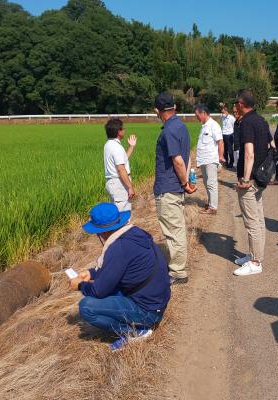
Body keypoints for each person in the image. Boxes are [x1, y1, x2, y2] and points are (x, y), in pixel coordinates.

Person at [71, 203, 171, 352]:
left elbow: (98, 291)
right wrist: (91, 273)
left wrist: (79, 285)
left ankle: (137, 331)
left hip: (149, 311)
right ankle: (139, 323)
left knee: (86, 307)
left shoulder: (118, 248)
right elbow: (119, 268)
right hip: (158, 301)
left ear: (102, 232)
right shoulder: (135, 233)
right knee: (109, 288)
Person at [153, 92, 196, 285]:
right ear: (175, 107)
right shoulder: (181, 127)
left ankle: (177, 271)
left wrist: (185, 183)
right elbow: (185, 158)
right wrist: (185, 183)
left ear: (157, 110)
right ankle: (178, 267)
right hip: (175, 187)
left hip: (168, 188)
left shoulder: (168, 131)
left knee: (173, 231)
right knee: (176, 228)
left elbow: (178, 160)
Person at [232, 89, 271, 276]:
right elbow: (272, 146)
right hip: (261, 177)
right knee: (259, 218)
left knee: (251, 222)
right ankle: (255, 255)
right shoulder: (261, 121)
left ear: (241, 104)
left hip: (251, 179)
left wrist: (245, 180)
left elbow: (249, 153)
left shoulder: (247, 123)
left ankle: (255, 262)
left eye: (235, 103)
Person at [192, 104, 225, 215]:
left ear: (203, 113)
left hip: (211, 159)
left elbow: (220, 142)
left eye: (197, 115)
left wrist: (220, 157)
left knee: (211, 183)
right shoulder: (204, 126)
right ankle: (210, 203)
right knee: (206, 183)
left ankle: (213, 207)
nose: (196, 117)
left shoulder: (213, 125)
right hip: (204, 160)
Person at [103, 118, 137, 212]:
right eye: (123, 128)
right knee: (123, 216)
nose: (125, 130)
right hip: (119, 185)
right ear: (119, 131)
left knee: (116, 214)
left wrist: (131, 146)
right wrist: (130, 187)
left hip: (113, 184)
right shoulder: (116, 147)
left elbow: (123, 160)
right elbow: (121, 169)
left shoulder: (109, 144)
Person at [220, 103, 236, 168]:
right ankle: (226, 162)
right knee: (224, 150)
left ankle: (231, 162)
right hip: (223, 135)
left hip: (229, 135)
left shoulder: (232, 118)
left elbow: (234, 126)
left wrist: (233, 135)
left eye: (223, 112)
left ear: (226, 112)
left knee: (230, 150)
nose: (222, 113)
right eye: (222, 112)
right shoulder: (222, 117)